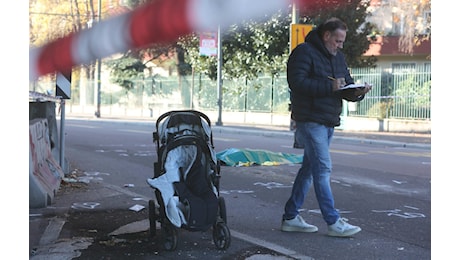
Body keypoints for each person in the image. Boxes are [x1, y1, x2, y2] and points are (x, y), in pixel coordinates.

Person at [281, 17, 372, 237]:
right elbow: (297, 83)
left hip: (329, 119)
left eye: (342, 42)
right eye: (338, 41)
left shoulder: (338, 57)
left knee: (309, 170)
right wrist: (328, 85)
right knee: (323, 169)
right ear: (326, 36)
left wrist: (357, 93)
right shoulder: (304, 52)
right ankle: (333, 221)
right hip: (310, 119)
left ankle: (291, 217)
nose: (340, 46)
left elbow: (344, 85)